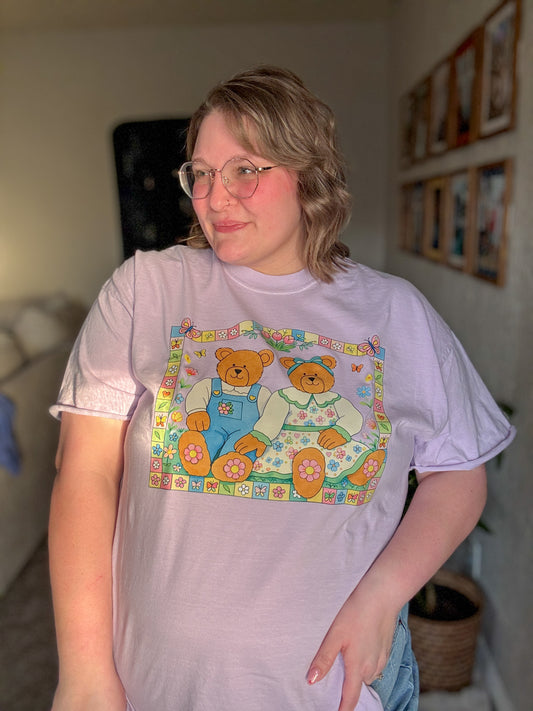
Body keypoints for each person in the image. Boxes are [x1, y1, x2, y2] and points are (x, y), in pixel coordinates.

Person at [48, 66, 515, 711]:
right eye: (200, 173)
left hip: (337, 692)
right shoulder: (145, 290)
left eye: (244, 170)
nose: (214, 198)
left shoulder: (395, 313)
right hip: (156, 685)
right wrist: (83, 676)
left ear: (308, 174)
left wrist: (383, 596)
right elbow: (87, 474)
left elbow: (459, 473)